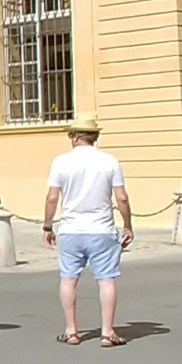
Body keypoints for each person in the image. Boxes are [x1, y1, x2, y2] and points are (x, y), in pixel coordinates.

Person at [43, 115, 133, 347]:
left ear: (74, 136)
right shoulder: (109, 161)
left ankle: (72, 331)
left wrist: (47, 225)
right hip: (102, 229)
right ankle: (107, 332)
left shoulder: (61, 162)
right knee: (106, 279)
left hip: (71, 229)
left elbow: (52, 198)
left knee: (68, 279)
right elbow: (121, 197)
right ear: (95, 136)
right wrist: (127, 225)